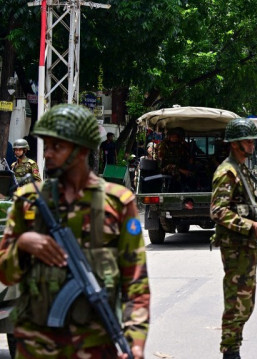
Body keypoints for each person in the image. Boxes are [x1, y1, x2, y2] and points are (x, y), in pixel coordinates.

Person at [0, 103, 149, 359]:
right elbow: (5, 273)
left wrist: (135, 341)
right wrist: (23, 243)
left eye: (57, 147)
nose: (47, 154)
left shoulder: (117, 203)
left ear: (81, 150)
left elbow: (135, 282)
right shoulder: (28, 200)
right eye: (46, 146)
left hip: (95, 345)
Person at [210, 118, 257, 359]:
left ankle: (233, 347)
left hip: (245, 243)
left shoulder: (242, 169)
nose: (252, 145)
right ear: (236, 144)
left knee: (246, 301)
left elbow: (245, 202)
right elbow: (218, 211)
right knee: (237, 300)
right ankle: (230, 351)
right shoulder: (227, 172)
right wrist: (249, 224)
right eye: (248, 141)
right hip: (235, 245)